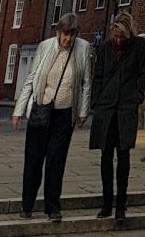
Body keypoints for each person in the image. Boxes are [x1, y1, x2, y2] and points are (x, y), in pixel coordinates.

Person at [12, 12, 92, 222]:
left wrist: (82, 111)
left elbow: (85, 83)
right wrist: (19, 110)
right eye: (65, 34)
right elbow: (32, 78)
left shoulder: (83, 48)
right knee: (33, 160)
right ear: (58, 32)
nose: (68, 39)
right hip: (41, 108)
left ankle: (52, 208)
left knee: (56, 162)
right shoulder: (45, 46)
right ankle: (27, 205)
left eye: (72, 35)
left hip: (64, 114)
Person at [89, 11, 145, 226]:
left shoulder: (138, 48)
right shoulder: (104, 49)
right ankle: (106, 203)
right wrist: (96, 101)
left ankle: (121, 205)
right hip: (106, 108)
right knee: (106, 156)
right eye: (115, 37)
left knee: (123, 156)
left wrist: (136, 96)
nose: (117, 41)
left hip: (125, 107)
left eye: (121, 37)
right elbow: (97, 76)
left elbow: (143, 75)